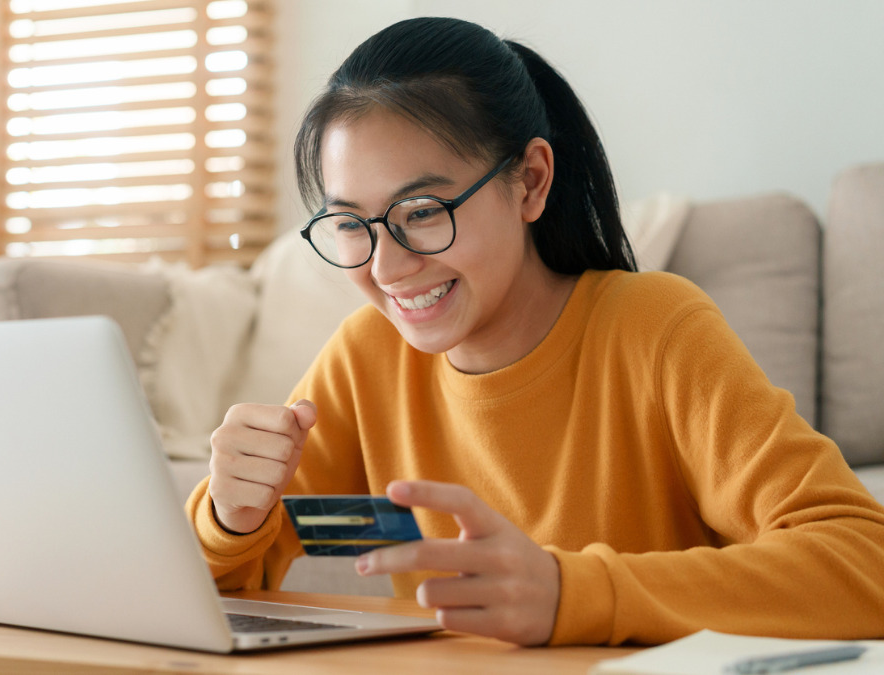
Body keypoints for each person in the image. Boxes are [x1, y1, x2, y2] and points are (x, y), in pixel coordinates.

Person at [185, 17, 884, 646]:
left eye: (422, 210)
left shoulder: (656, 329)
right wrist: (229, 517)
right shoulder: (367, 357)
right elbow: (228, 584)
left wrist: (570, 592)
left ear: (530, 181)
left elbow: (864, 562)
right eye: (350, 224)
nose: (387, 267)